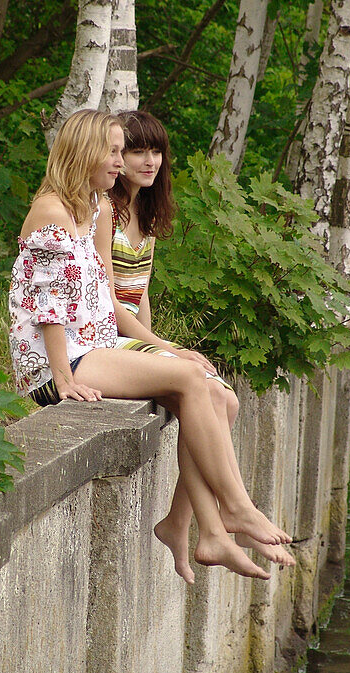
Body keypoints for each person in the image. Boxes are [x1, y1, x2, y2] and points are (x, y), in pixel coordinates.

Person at [8, 108, 287, 582]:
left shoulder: (90, 206)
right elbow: (46, 304)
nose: (119, 162)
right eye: (114, 150)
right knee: (188, 375)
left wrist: (149, 344)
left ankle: (205, 531)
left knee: (207, 388)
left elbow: (112, 293)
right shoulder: (51, 210)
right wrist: (61, 377)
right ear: (86, 150)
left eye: (122, 151)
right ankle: (234, 511)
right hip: (62, 360)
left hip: (95, 346)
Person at [97, 109, 295, 582]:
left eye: (156, 151)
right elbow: (107, 304)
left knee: (223, 399)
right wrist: (165, 347)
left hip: (131, 334)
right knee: (200, 385)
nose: (150, 161)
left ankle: (184, 525)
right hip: (106, 338)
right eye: (137, 151)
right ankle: (225, 516)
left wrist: (161, 341)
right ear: (117, 157)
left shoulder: (145, 213)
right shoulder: (105, 210)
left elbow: (138, 293)